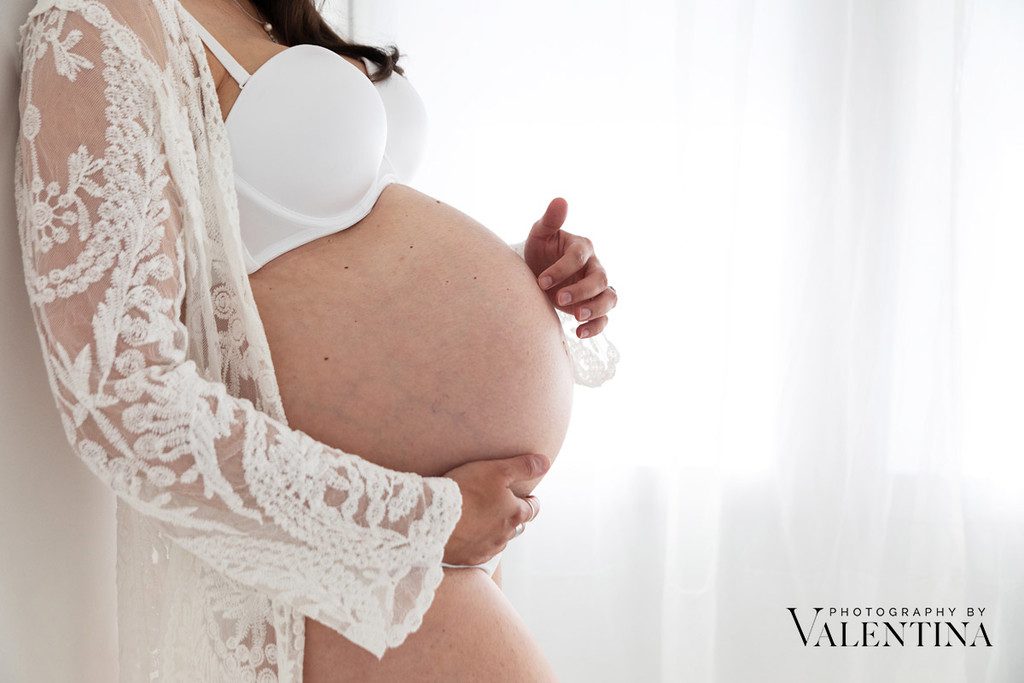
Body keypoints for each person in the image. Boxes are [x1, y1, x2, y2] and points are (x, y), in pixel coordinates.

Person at [13, 0, 619, 679]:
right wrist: (424, 520)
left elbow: (325, 258)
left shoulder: (264, 13)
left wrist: (520, 271)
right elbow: (118, 391)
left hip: (419, 544)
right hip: (349, 566)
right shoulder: (101, 24)